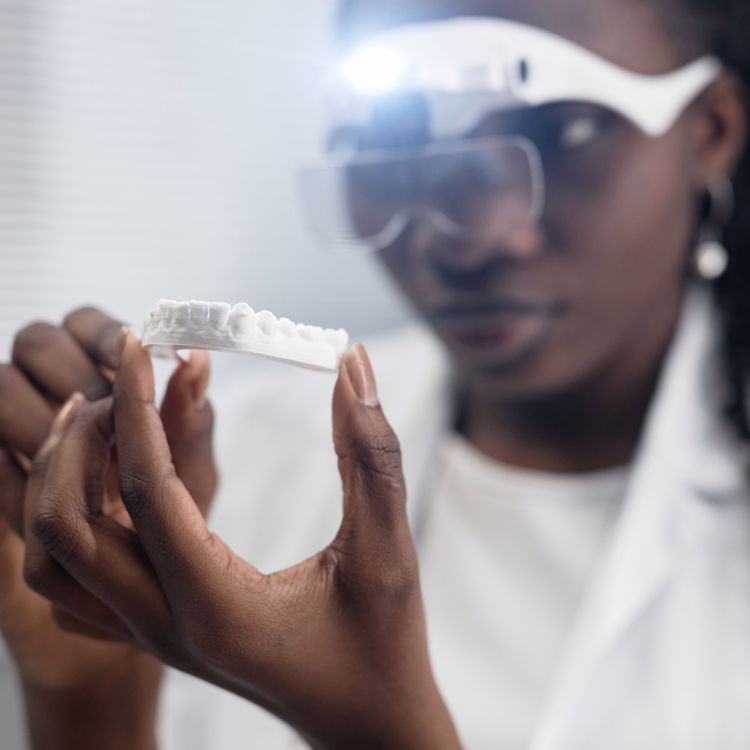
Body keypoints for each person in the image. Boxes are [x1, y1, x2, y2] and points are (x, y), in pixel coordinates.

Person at [1, 0, 750, 748]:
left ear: (711, 128)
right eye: (394, 137)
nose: (477, 237)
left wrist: (379, 734)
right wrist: (90, 696)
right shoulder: (212, 470)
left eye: (561, 132)